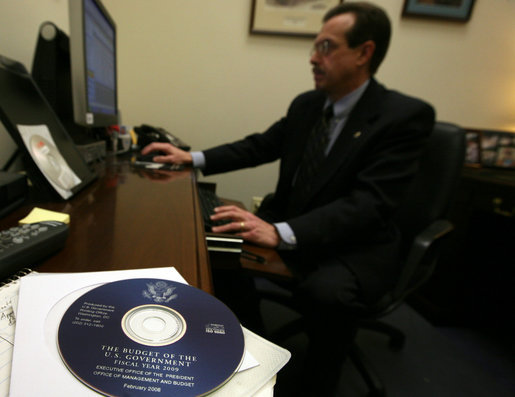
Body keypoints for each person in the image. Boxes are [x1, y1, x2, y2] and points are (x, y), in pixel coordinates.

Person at [142, 2, 435, 395]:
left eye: (326, 47)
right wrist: (191, 158)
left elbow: (369, 204)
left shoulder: (403, 116)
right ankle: (259, 353)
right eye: (315, 46)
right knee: (219, 246)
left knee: (326, 294)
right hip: (298, 227)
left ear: (364, 53)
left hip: (355, 244)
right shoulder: (308, 105)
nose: (313, 58)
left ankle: (317, 381)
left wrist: (280, 233)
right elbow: (260, 146)